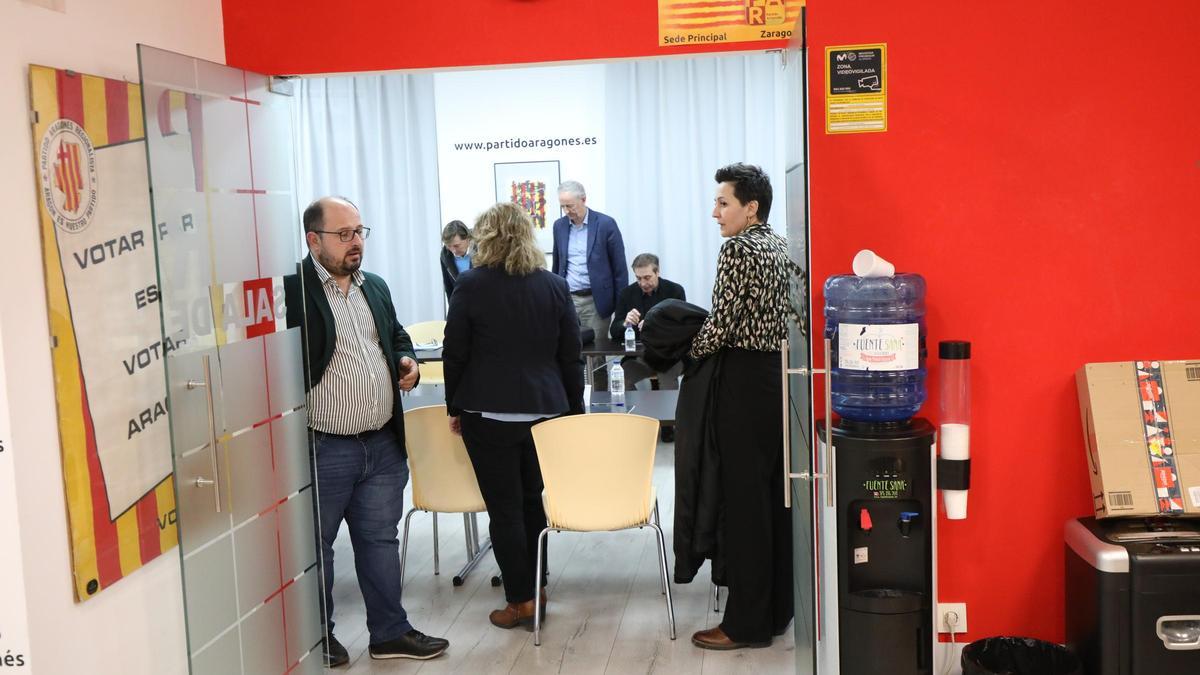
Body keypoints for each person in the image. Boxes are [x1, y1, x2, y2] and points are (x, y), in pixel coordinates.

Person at [284, 197, 449, 666]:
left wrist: (407, 360)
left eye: (359, 231)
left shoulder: (373, 285)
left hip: (380, 443)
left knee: (379, 541)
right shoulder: (293, 290)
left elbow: (395, 335)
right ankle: (319, 637)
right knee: (317, 549)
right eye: (344, 234)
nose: (356, 241)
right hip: (324, 445)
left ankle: (389, 633)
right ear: (313, 240)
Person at [443, 201, 584, 630]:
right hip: (544, 413)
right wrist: (573, 412)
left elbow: (455, 351)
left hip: (487, 413)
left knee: (504, 510)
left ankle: (520, 601)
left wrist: (454, 406)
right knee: (532, 504)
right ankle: (537, 590)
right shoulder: (555, 286)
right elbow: (570, 356)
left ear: (485, 237)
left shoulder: (470, 284)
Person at [688, 164, 796, 650]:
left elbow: (722, 322)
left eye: (723, 203)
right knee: (772, 498)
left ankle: (745, 625)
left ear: (750, 208)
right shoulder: (778, 244)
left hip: (744, 381)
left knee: (745, 505)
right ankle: (774, 613)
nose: (715, 212)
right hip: (776, 378)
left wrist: (690, 353)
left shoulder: (737, 249)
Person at [551, 180, 627, 340]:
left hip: (596, 301)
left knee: (597, 349)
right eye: (563, 206)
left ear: (583, 199)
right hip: (568, 300)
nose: (566, 211)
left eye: (570, 205)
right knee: (569, 347)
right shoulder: (559, 226)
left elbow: (619, 268)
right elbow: (557, 264)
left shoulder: (606, 224)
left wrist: (620, 306)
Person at [608, 253, 687, 393]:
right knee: (621, 378)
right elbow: (614, 331)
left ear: (657, 272)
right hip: (640, 358)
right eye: (638, 278)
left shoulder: (675, 291)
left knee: (667, 384)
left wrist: (656, 324)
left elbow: (683, 329)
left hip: (670, 357)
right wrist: (625, 323)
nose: (643, 283)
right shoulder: (627, 294)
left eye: (647, 277)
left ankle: (668, 409)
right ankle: (635, 408)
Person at [439, 219, 472, 301]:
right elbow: (448, 288)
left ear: (468, 239)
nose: (453, 251)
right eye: (449, 246)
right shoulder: (445, 255)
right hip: (462, 303)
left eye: (456, 246)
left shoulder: (483, 250)